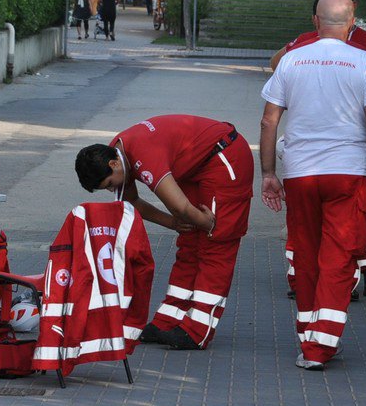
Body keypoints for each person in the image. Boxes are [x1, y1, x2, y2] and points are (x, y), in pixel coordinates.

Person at [259, 0, 366, 370]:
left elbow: (269, 121)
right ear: (353, 23)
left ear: (316, 23)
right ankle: (321, 346)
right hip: (348, 174)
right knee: (339, 256)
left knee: (305, 253)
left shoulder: (292, 60)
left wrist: (269, 173)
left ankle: (309, 336)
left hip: (301, 174)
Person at [270, 0, 366, 300]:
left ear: (319, 18)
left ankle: (306, 279)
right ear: (351, 13)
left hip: (307, 157)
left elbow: (275, 66)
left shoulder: (304, 45)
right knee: (358, 211)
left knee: (306, 219)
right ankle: (364, 273)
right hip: (353, 152)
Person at [74, 114, 253, 350]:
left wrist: (209, 224)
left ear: (113, 165)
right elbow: (134, 203)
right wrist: (174, 223)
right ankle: (169, 320)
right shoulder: (115, 154)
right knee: (189, 241)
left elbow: (180, 207)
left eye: (109, 184)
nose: (112, 190)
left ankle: (197, 330)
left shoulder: (143, 156)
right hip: (197, 164)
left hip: (225, 157)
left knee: (216, 244)